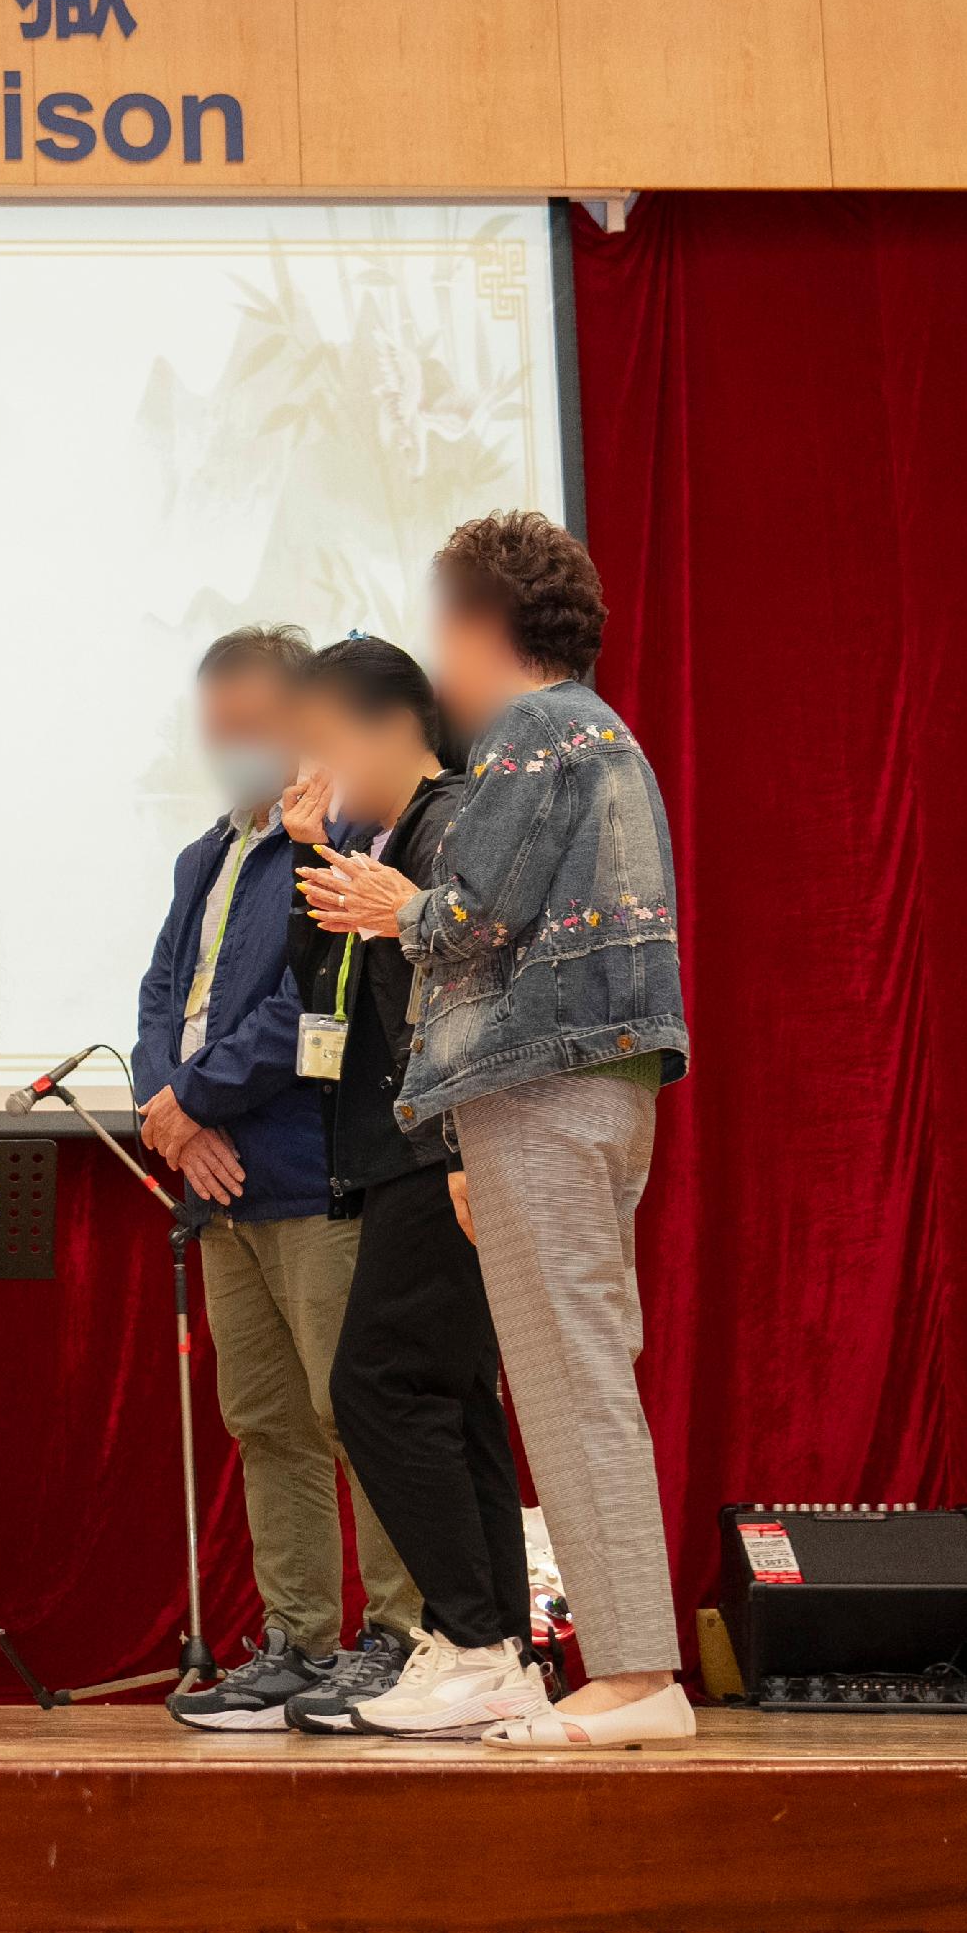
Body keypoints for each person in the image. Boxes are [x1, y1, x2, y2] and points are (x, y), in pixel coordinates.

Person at [300, 513, 694, 1749]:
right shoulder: (601, 732)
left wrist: (392, 903)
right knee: (577, 1372)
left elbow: (475, 920)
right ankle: (627, 1668)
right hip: (585, 1089)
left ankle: (636, 1677)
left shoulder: (531, 730)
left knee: (569, 1380)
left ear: (481, 625)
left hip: (542, 1088)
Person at [134, 627, 427, 1732]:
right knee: (265, 1420)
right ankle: (299, 1641)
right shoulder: (202, 856)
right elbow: (164, 996)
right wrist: (170, 1116)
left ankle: (397, 1640)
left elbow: (316, 1010)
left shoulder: (337, 838)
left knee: (351, 1410)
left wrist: (196, 1102)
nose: (231, 743)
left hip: (311, 1170)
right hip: (218, 1186)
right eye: (216, 724)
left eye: (253, 721)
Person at [265, 636, 541, 1738]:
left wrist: (472, 1150)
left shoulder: (453, 821)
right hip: (402, 1150)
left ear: (387, 726)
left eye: (325, 742)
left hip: (447, 1149)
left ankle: (471, 1638)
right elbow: (321, 990)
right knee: (445, 1400)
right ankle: (494, 1646)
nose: (315, 767)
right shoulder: (388, 838)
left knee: (376, 1388)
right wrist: (305, 853)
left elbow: (480, 986)